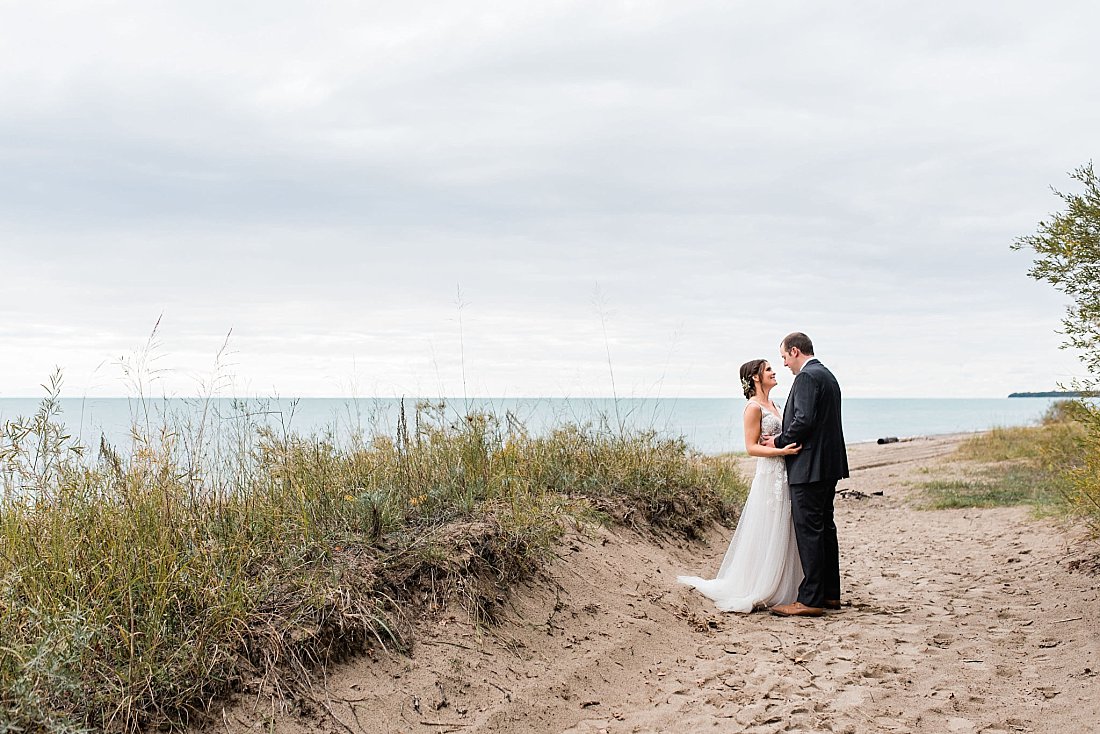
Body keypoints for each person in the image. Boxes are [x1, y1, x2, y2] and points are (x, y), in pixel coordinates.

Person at [677, 359, 803, 612]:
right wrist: (782, 451)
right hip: (770, 474)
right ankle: (761, 584)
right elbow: (750, 447)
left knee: (786, 527)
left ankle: (787, 584)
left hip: (785, 473)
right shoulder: (753, 407)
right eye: (768, 369)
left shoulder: (775, 405)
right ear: (755, 377)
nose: (774, 371)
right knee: (769, 526)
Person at [763, 332, 849, 617]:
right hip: (828, 465)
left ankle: (811, 599)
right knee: (825, 528)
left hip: (810, 467)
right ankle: (829, 594)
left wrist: (776, 442)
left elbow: (804, 420)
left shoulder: (807, 378)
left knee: (810, 530)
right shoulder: (827, 375)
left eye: (785, 357)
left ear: (796, 351)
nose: (785, 364)